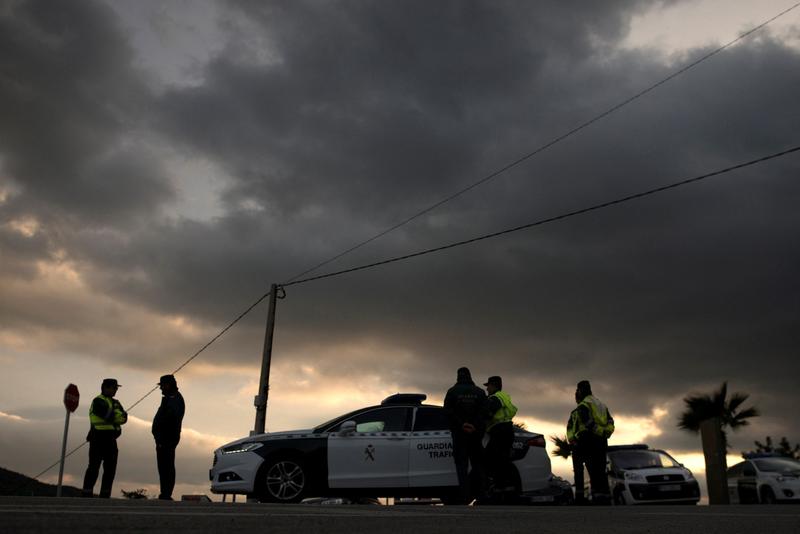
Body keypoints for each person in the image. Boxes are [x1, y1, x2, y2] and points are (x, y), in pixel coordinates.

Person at [443, 367, 488, 503]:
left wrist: (462, 424)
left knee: (461, 466)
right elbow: (484, 412)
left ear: (458, 376)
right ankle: (481, 495)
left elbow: (447, 412)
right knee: (478, 465)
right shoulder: (479, 392)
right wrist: (474, 425)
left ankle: (464, 495)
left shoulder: (452, 392)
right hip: (475, 434)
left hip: (459, 434)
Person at [570, 380, 614, 504]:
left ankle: (588, 498)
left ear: (581, 391)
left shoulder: (584, 405)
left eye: (577, 390)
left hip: (588, 439)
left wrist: (598, 432)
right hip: (602, 441)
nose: (576, 392)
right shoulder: (601, 404)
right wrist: (606, 432)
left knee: (591, 469)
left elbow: (587, 423)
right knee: (600, 469)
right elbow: (611, 421)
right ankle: (603, 497)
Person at [82, 378, 127, 498]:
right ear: (105, 388)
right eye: (114, 388)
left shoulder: (116, 402)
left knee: (110, 469)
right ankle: (86, 494)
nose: (116, 390)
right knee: (93, 467)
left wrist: (117, 416)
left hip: (111, 439)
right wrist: (117, 416)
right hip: (98, 438)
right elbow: (110, 416)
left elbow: (124, 418)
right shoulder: (98, 401)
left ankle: (105, 495)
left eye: (116, 388)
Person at [152, 374, 185, 500]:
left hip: (167, 438)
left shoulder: (175, 399)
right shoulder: (170, 398)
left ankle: (166, 493)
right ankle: (165, 492)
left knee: (166, 466)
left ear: (168, 385)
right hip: (163, 438)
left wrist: (161, 437)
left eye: (162, 386)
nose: (161, 389)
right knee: (164, 466)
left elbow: (169, 420)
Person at [483, 376, 517, 494]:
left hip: (500, 430)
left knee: (492, 458)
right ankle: (505, 486)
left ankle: (500, 486)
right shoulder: (504, 396)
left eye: (488, 386)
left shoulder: (496, 398)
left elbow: (488, 413)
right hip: (506, 429)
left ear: (494, 386)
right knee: (502, 459)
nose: (487, 389)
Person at [566, 390, 587, 504]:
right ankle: (581, 496)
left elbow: (569, 428)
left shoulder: (575, 412)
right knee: (585, 470)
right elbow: (569, 428)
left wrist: (572, 440)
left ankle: (580, 497)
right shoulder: (576, 412)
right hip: (583, 443)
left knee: (579, 472)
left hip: (578, 444)